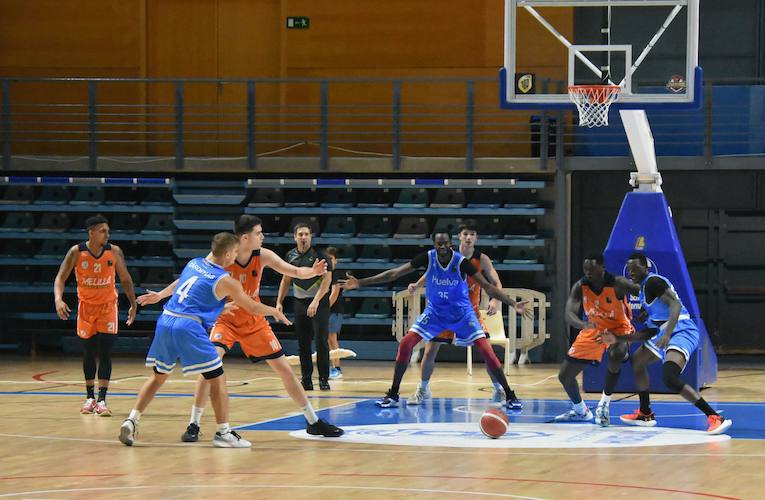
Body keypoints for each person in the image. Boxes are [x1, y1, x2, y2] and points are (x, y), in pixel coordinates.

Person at [140, 215, 343, 441]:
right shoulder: (226, 257)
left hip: (253, 320)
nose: (263, 236)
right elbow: (189, 278)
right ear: (245, 238)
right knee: (210, 370)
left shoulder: (263, 255)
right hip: (225, 320)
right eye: (259, 232)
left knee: (285, 369)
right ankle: (193, 424)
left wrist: (313, 272)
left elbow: (293, 271)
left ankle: (313, 421)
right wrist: (161, 295)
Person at [120, 232, 292, 447]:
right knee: (217, 379)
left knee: (158, 377)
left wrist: (159, 296)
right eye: (235, 253)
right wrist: (274, 311)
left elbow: (185, 286)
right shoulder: (226, 280)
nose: (236, 257)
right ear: (228, 253)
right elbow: (252, 307)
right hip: (188, 327)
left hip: (166, 320)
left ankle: (132, 420)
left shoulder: (194, 263)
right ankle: (223, 432)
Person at [339, 230, 533, 409]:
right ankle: (393, 394)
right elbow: (394, 273)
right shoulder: (428, 258)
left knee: (486, 349)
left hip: (462, 313)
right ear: (434, 244)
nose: (441, 247)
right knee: (406, 343)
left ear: (451, 244)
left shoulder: (460, 262)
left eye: (445, 243)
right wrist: (360, 282)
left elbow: (488, 286)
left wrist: (511, 303)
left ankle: (509, 394)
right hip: (435, 313)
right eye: (438, 243)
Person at [601, 252, 732, 434]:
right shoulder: (643, 293)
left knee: (670, 378)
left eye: (635, 268)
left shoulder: (654, 282)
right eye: (629, 269)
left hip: (681, 329)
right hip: (663, 332)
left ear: (646, 267)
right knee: (638, 360)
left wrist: (667, 334)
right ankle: (645, 413)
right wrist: (618, 338)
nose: (631, 272)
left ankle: (714, 417)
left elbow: (676, 305)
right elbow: (646, 333)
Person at [406, 220, 505, 405]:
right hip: (444, 310)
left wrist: (495, 299)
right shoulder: (447, 254)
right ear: (458, 237)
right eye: (465, 233)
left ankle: (499, 390)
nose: (468, 237)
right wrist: (418, 284)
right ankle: (422, 388)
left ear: (476, 238)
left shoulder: (482, 259)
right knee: (430, 350)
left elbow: (496, 282)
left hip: (469, 312)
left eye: (472, 234)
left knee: (487, 352)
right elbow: (431, 272)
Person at [54, 214, 137, 416]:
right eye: (103, 231)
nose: (107, 234)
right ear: (91, 232)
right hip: (86, 308)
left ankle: (102, 400)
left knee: (106, 352)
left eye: (108, 231)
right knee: (89, 352)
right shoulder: (76, 252)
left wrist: (133, 303)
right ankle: (90, 397)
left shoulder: (114, 252)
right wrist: (58, 299)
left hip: (108, 307)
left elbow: (126, 279)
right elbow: (60, 277)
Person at [553, 253, 632, 426]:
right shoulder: (580, 286)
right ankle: (581, 411)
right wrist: (583, 324)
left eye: (592, 269)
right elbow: (568, 313)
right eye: (585, 269)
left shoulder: (617, 284)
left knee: (616, 353)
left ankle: (604, 404)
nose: (588, 272)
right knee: (565, 376)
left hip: (618, 328)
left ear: (602, 267)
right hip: (594, 328)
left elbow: (641, 292)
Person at [276, 223, 333, 391]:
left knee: (322, 342)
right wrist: (279, 301)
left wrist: (315, 301)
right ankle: (306, 379)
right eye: (300, 234)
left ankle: (324, 378)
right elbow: (286, 280)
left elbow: (327, 280)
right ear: (295, 237)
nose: (303, 237)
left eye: (306, 234)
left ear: (310, 237)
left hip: (319, 303)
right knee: (303, 343)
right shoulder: (289, 256)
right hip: (300, 302)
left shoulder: (321, 255)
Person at [325, 246, 345, 380]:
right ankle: (332, 367)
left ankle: (337, 368)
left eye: (331, 259)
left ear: (336, 260)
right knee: (327, 340)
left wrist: (323, 309)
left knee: (332, 339)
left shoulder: (337, 274)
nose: (329, 261)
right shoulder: (325, 273)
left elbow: (334, 294)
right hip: (327, 311)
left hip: (334, 311)